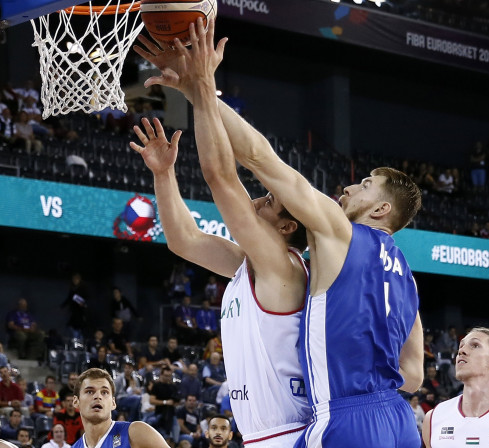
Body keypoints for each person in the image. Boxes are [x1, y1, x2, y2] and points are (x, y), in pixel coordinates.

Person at [134, 18, 423, 447]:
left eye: (363, 185)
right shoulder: (404, 275)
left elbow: (252, 160)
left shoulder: (330, 235)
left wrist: (201, 88)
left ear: (382, 208)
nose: (347, 186)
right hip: (394, 417)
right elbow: (413, 375)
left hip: (328, 418)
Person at [131, 52, 311, 448]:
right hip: (263, 435)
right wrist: (164, 175)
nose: (258, 203)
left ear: (286, 227)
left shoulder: (282, 268)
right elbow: (184, 240)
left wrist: (201, 89)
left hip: (291, 434)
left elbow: (221, 177)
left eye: (268, 200)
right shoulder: (250, 266)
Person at [70, 368, 168, 448]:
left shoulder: (135, 433)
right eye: (90, 391)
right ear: (76, 401)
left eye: (104, 392)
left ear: (113, 403)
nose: (98, 396)